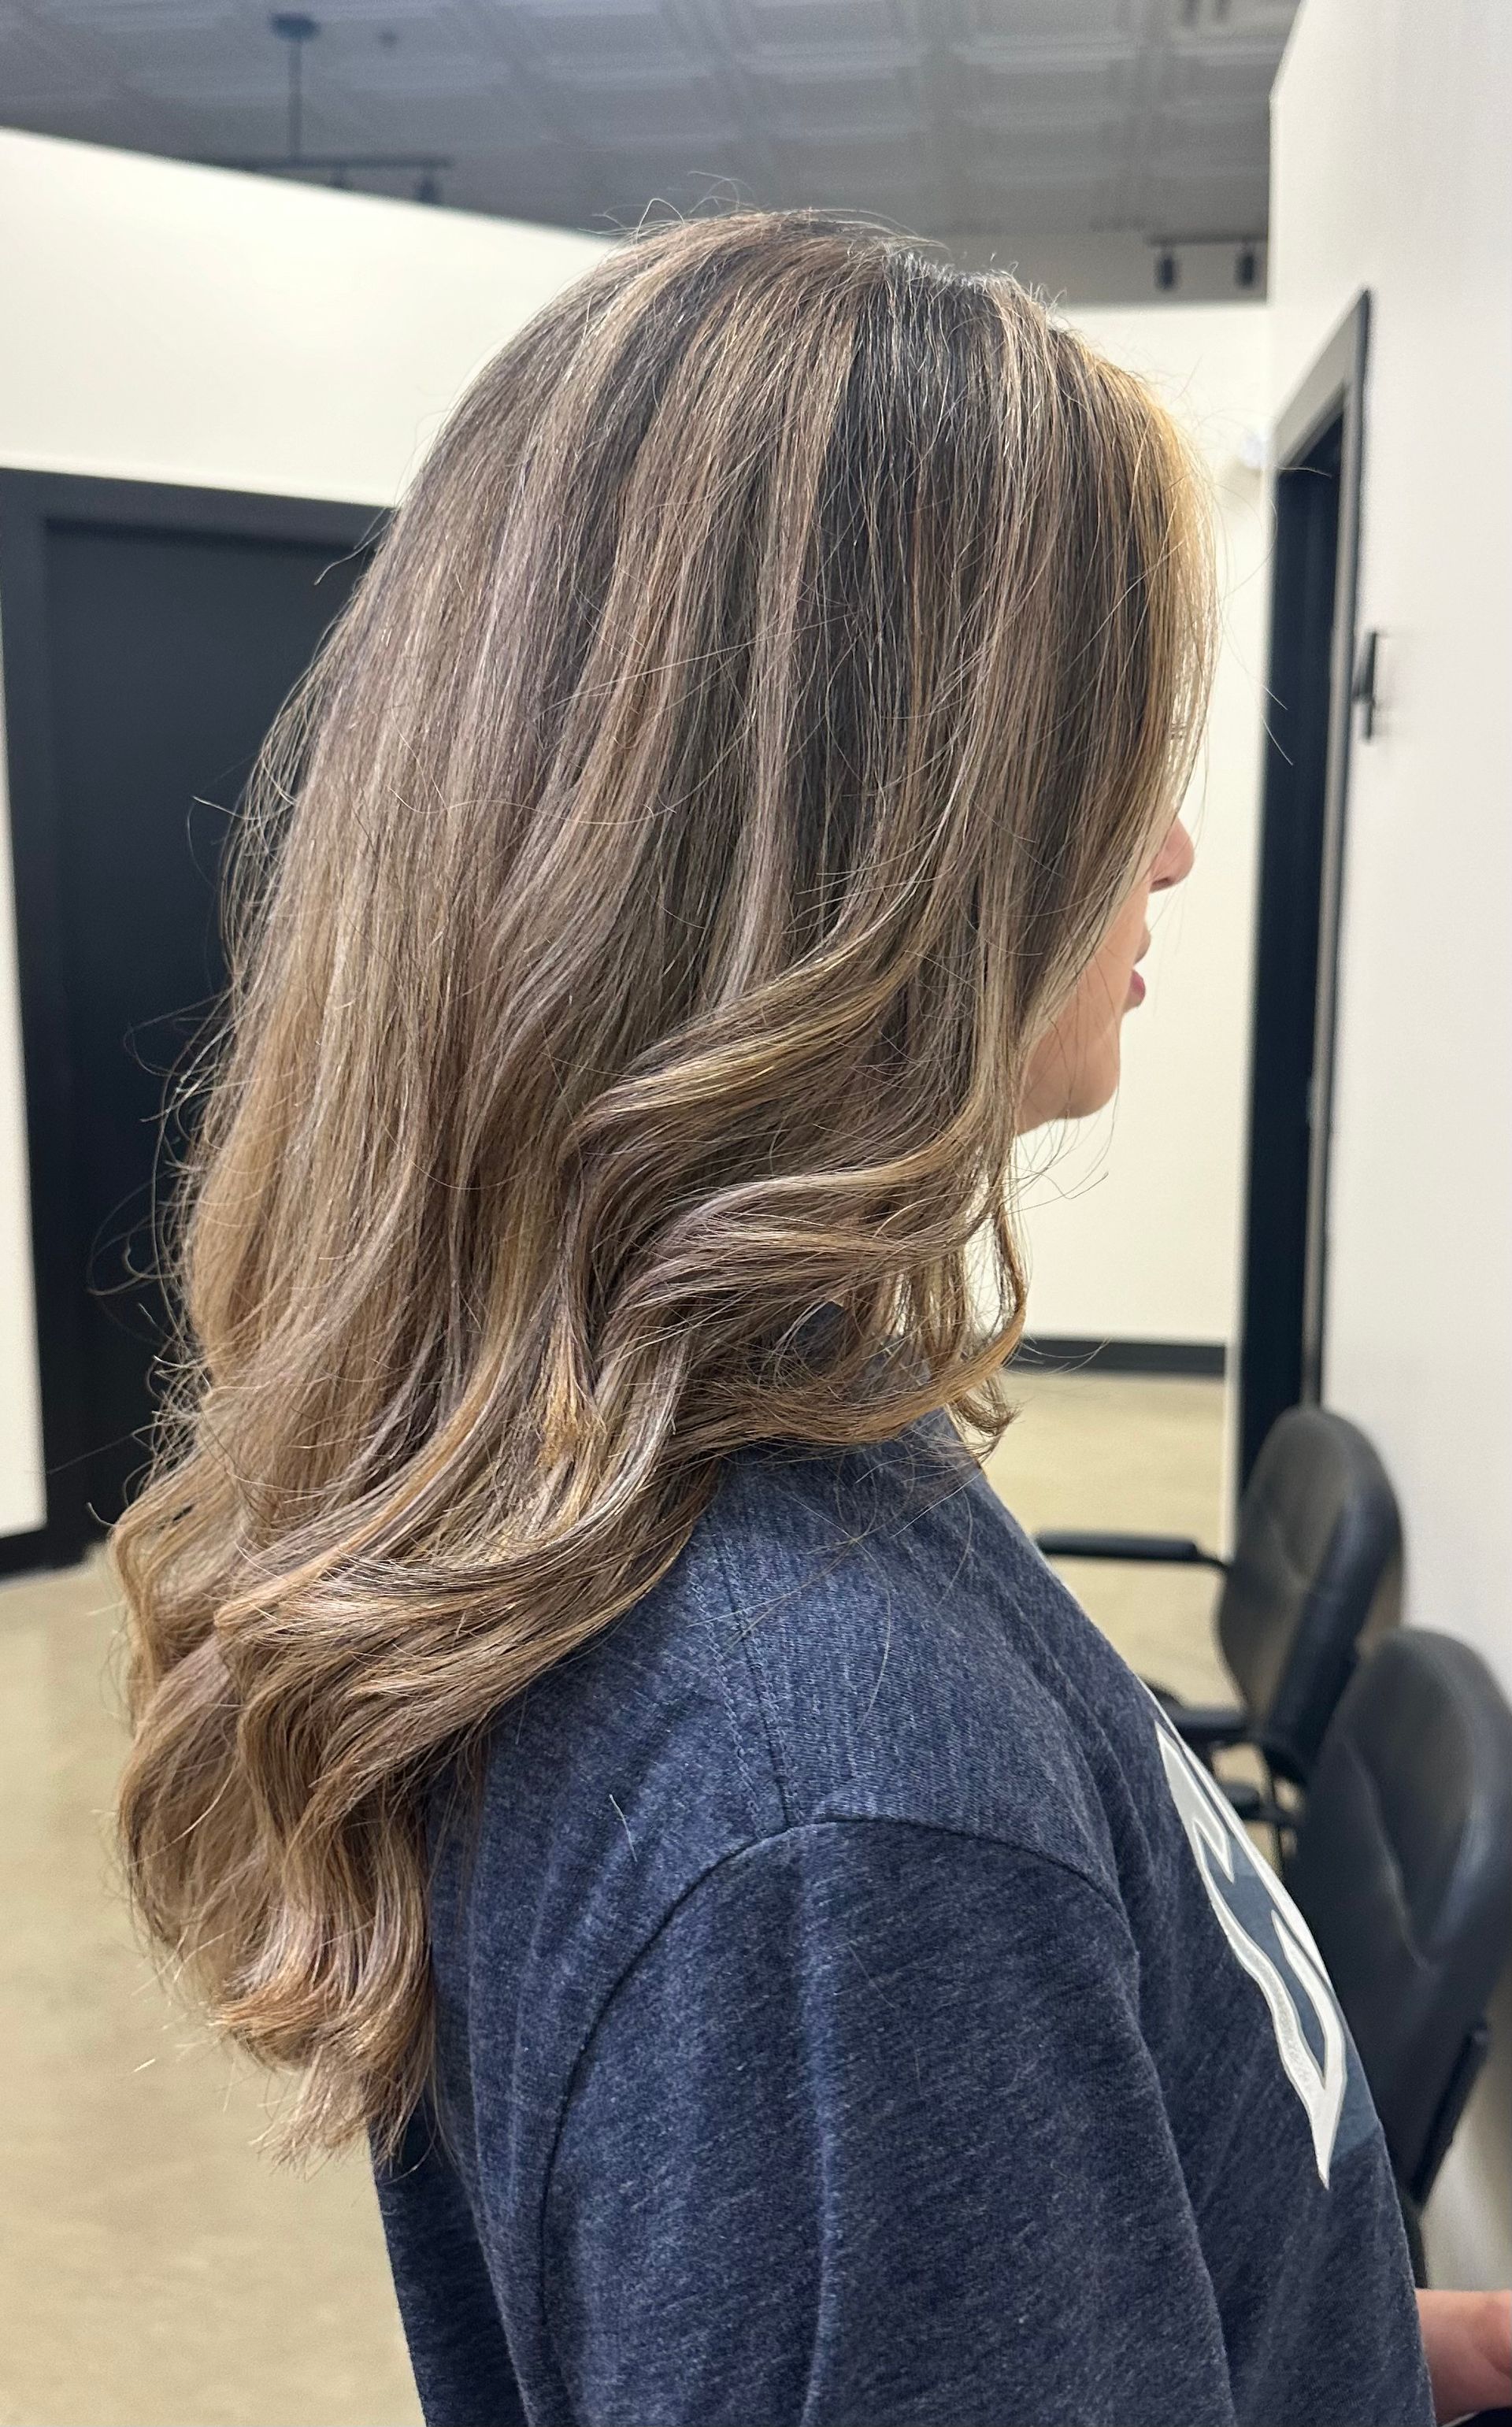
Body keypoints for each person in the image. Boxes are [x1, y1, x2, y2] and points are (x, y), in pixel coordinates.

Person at [110, 208, 1510, 2427]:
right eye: (1108, 743)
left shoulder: (762, 1459)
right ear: (880, 827)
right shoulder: (842, 1823)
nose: (1165, 848)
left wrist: (1326, 2328)